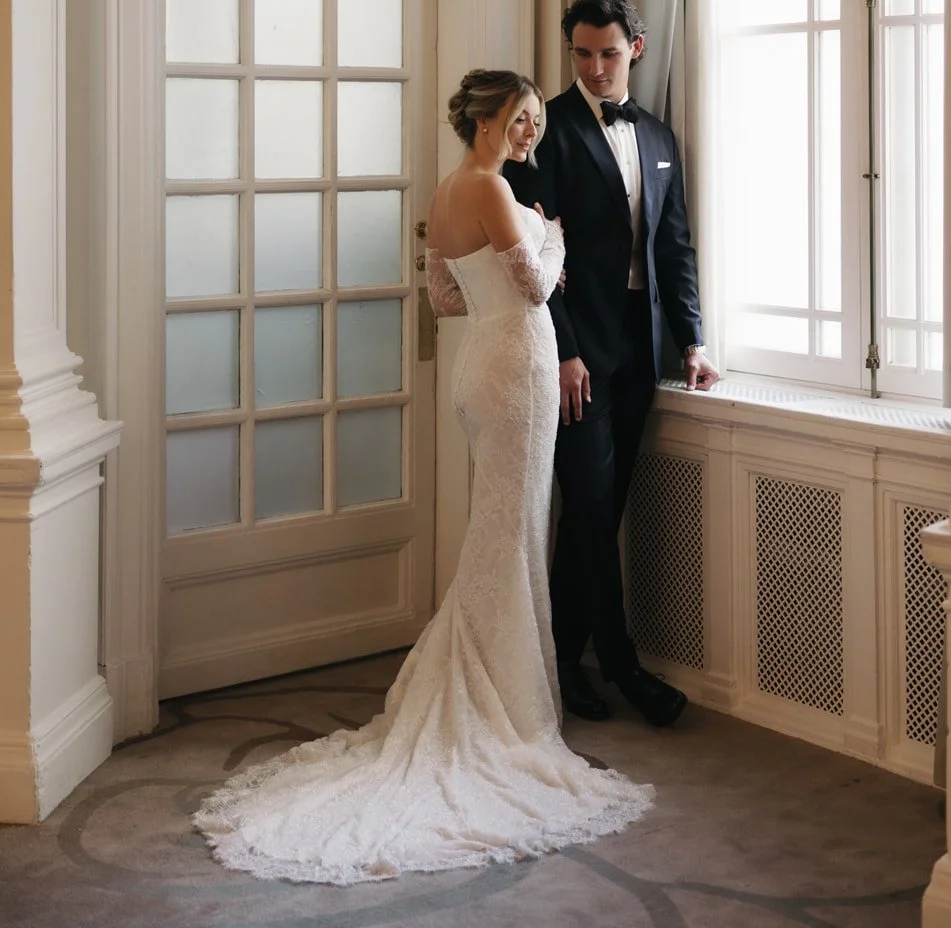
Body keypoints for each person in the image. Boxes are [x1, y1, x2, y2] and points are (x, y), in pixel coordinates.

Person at [193, 69, 652, 884]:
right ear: (487, 121)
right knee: (511, 532)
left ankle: (488, 684)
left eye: (535, 119)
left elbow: (443, 299)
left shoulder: (445, 192)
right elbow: (534, 286)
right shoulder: (492, 189)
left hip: (481, 367)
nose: (532, 132)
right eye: (521, 118)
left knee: (500, 529)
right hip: (516, 368)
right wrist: (552, 238)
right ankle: (497, 705)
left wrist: (519, 260)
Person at [505, 0, 718, 729]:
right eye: (582, 54)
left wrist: (692, 340)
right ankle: (623, 666)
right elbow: (532, 258)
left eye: (608, 53)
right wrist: (563, 352)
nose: (595, 68)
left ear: (637, 49)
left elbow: (674, 247)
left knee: (601, 511)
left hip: (640, 346)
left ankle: (564, 660)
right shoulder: (545, 130)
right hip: (576, 353)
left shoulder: (657, 135)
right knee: (591, 505)